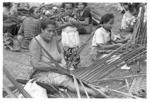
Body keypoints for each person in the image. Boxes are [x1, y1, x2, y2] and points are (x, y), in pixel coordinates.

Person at [29, 18, 102, 97]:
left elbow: (60, 54)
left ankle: (95, 88)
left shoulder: (53, 39)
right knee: (64, 79)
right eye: (49, 31)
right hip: (41, 74)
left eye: (53, 31)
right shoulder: (35, 42)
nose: (52, 33)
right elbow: (35, 64)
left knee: (74, 75)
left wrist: (64, 63)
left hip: (57, 69)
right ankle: (92, 92)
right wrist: (54, 67)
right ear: (42, 30)